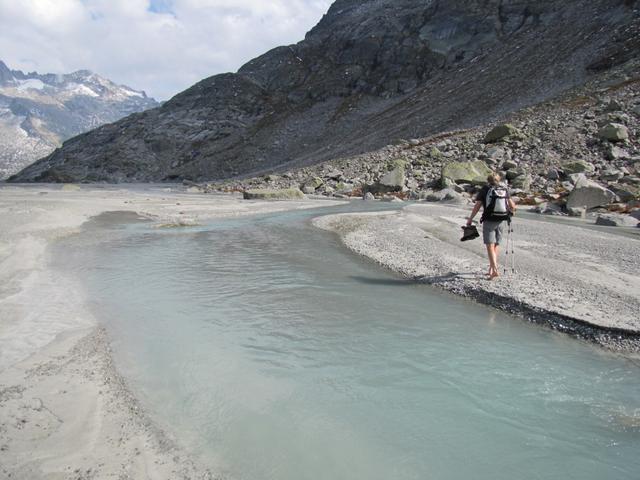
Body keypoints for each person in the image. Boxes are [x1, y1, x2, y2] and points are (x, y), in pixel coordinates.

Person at [466, 173, 516, 280]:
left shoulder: (485, 189)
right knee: (496, 245)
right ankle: (491, 269)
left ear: (488, 180)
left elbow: (477, 206)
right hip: (501, 220)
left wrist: (470, 219)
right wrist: (511, 213)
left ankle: (495, 270)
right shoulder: (504, 189)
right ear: (499, 180)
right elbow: (512, 206)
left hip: (489, 220)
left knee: (489, 245)